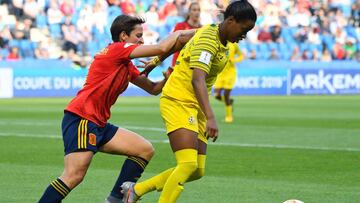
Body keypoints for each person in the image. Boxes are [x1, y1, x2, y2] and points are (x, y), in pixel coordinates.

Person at [38, 14, 196, 203]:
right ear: (123, 36)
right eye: (138, 35)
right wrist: (188, 32)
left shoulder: (125, 64)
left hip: (99, 123)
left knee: (144, 149)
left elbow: (153, 89)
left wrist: (168, 76)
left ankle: (115, 200)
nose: (142, 40)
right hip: (82, 118)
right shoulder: (116, 50)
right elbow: (162, 47)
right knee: (73, 175)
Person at [121, 1, 257, 202]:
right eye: (244, 29)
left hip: (195, 105)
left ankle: (136, 190)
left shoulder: (217, 35)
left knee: (197, 170)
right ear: (230, 20)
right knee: (187, 164)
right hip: (178, 100)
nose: (244, 35)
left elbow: (181, 39)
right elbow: (197, 79)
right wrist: (211, 117)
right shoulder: (209, 40)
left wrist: (156, 61)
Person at [214, 41, 244, 123]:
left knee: (226, 95)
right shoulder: (218, 42)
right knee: (217, 95)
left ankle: (229, 117)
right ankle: (229, 103)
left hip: (230, 73)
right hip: (220, 73)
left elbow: (241, 55)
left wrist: (234, 60)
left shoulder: (233, 44)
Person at [171, 1, 202, 67]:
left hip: (194, 64)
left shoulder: (202, 29)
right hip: (178, 62)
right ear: (189, 12)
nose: (197, 12)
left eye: (199, 10)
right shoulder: (180, 26)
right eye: (194, 10)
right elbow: (173, 43)